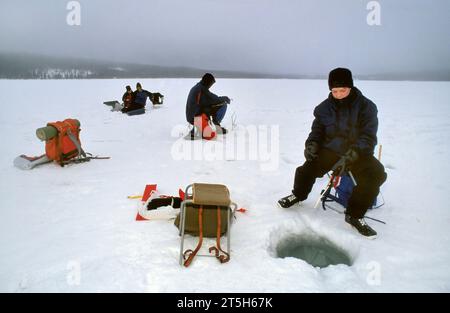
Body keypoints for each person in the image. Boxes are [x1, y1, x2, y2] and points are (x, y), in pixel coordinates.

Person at [278, 68, 387, 239]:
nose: (338, 95)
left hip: (357, 152)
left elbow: (368, 137)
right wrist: (311, 144)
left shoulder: (367, 107)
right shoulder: (323, 108)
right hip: (331, 149)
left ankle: (354, 215)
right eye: (334, 91)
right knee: (306, 170)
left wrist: (354, 154)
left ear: (351, 87)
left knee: (376, 174)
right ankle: (298, 195)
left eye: (342, 90)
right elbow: (317, 131)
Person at [185, 73, 231, 139]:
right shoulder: (201, 89)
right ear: (207, 82)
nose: (210, 85)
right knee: (223, 104)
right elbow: (213, 99)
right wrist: (225, 99)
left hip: (192, 116)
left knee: (207, 108)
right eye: (211, 83)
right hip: (196, 117)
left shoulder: (199, 87)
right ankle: (199, 129)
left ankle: (198, 129)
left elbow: (210, 98)